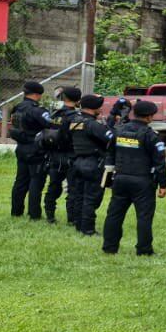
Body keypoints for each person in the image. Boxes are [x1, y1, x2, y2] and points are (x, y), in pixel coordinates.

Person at [101, 101, 166, 256]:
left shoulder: (118, 131)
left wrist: (109, 175)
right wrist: (163, 184)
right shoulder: (151, 136)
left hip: (120, 179)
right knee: (144, 217)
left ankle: (109, 248)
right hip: (142, 181)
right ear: (150, 116)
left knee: (114, 214)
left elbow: (110, 154)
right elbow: (160, 162)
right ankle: (144, 250)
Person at [65, 94, 113, 236]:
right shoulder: (93, 124)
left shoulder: (74, 121)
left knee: (79, 195)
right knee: (92, 198)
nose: (101, 108)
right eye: (99, 106)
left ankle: (79, 224)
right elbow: (111, 138)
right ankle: (88, 229)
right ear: (94, 108)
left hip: (77, 162)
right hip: (93, 163)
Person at [9, 81, 52, 220]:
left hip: (20, 147)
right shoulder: (37, 110)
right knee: (36, 181)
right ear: (37, 94)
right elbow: (50, 125)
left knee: (20, 181)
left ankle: (16, 211)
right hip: (35, 149)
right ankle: (34, 214)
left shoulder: (17, 107)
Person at [42, 86, 82, 224]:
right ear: (78, 100)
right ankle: (72, 219)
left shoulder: (54, 115)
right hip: (72, 156)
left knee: (53, 186)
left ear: (64, 98)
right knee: (73, 189)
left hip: (54, 155)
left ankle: (50, 216)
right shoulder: (77, 118)